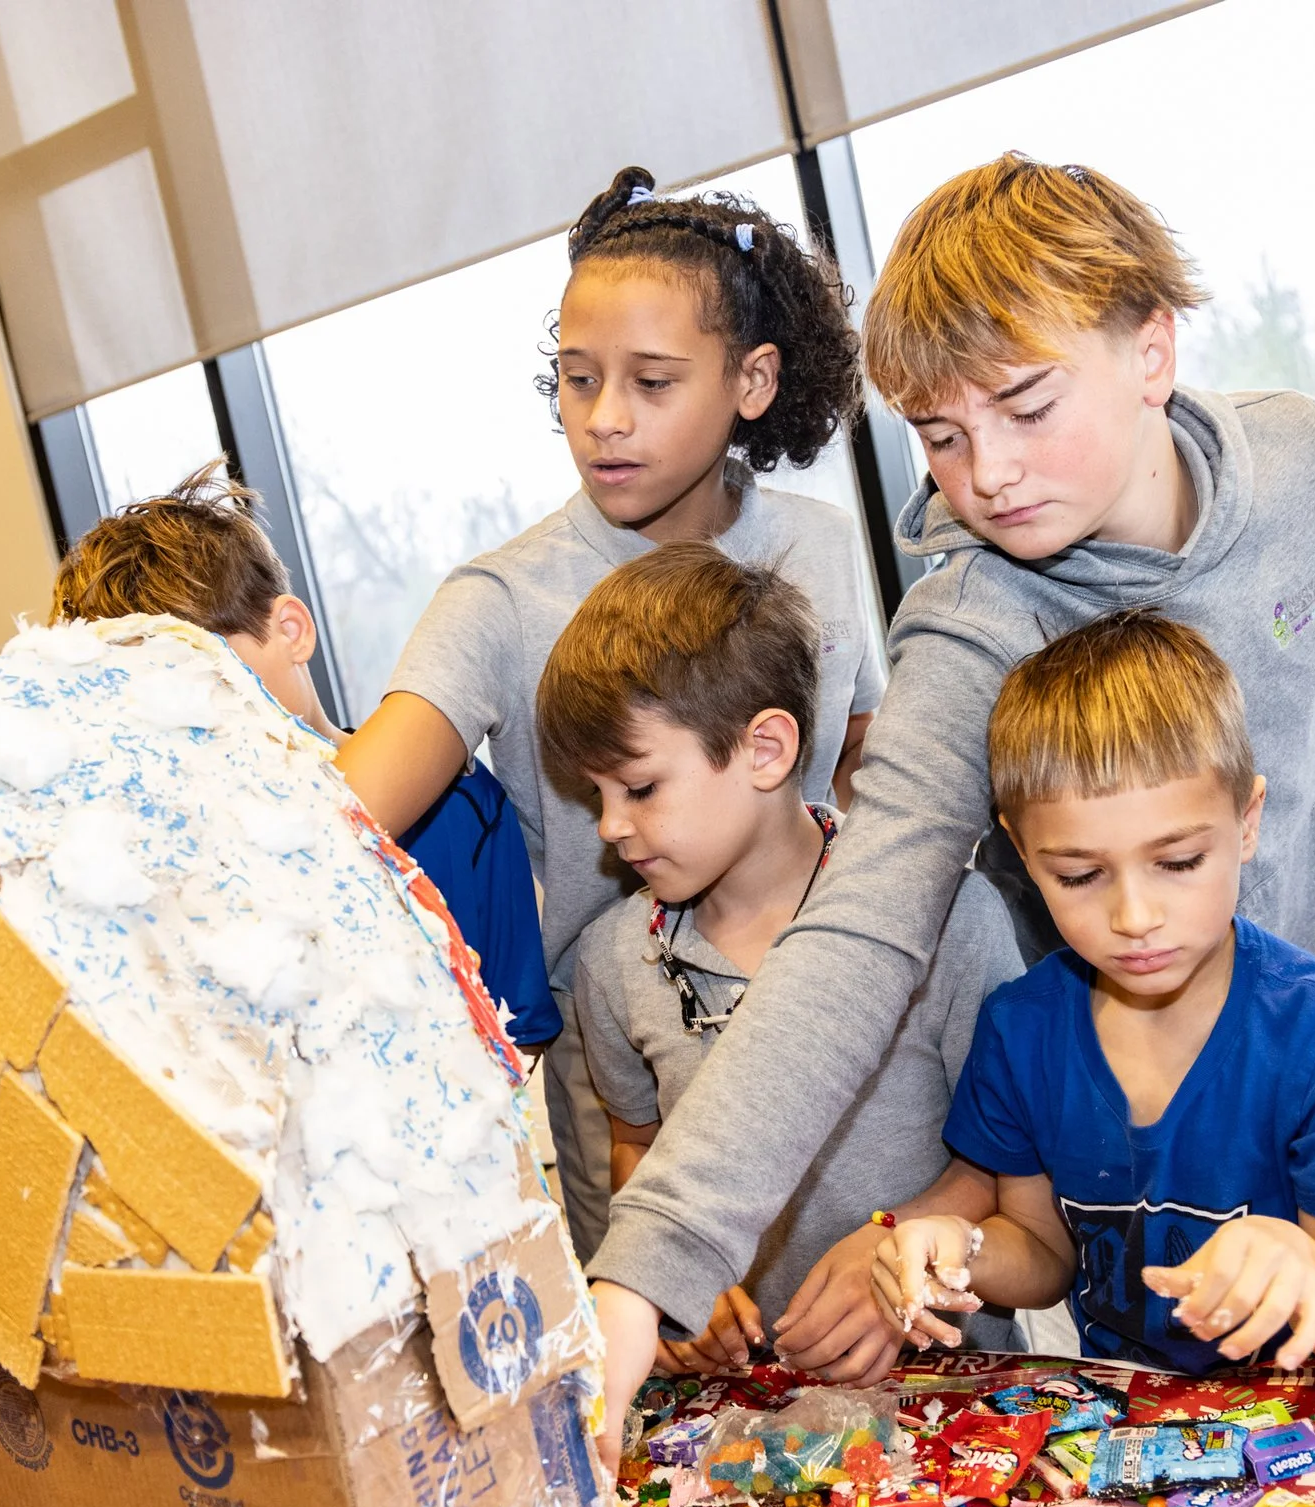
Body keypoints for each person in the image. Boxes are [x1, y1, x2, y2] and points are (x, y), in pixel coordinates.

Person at [584, 154, 1315, 1408]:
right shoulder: (967, 626)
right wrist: (642, 1273)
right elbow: (857, 930)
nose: (987, 476)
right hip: (1120, 1127)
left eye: (1027, 408)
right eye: (939, 436)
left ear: (1150, 350)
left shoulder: (1308, 464)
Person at [335, 165, 884, 1260]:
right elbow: (340, 822)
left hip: (830, 1013)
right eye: (577, 380)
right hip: (631, 1057)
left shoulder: (817, 547)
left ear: (753, 379)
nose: (604, 420)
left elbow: (863, 772)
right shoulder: (499, 601)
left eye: (651, 380)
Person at [870, 611, 1315, 1382]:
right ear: (1022, 851)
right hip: (1137, 1423)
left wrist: (1304, 1264)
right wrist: (954, 1246)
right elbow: (1042, 1256)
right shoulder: (1020, 1029)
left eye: (1178, 861)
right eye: (1079, 875)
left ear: (1247, 822)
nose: (1134, 918)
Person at [538, 546, 1021, 1385]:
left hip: (949, 1391)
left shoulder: (950, 919)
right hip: (740, 1417)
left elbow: (1008, 1165)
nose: (611, 827)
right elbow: (638, 1147)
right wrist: (675, 1285)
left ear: (765, 749)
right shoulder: (615, 959)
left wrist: (897, 1246)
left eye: (641, 788)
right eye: (596, 796)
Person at [49, 458, 559, 1056]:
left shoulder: (461, 810)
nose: (193, 716)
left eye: (206, 675)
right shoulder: (161, 864)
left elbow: (515, 1039)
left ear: (291, 631)